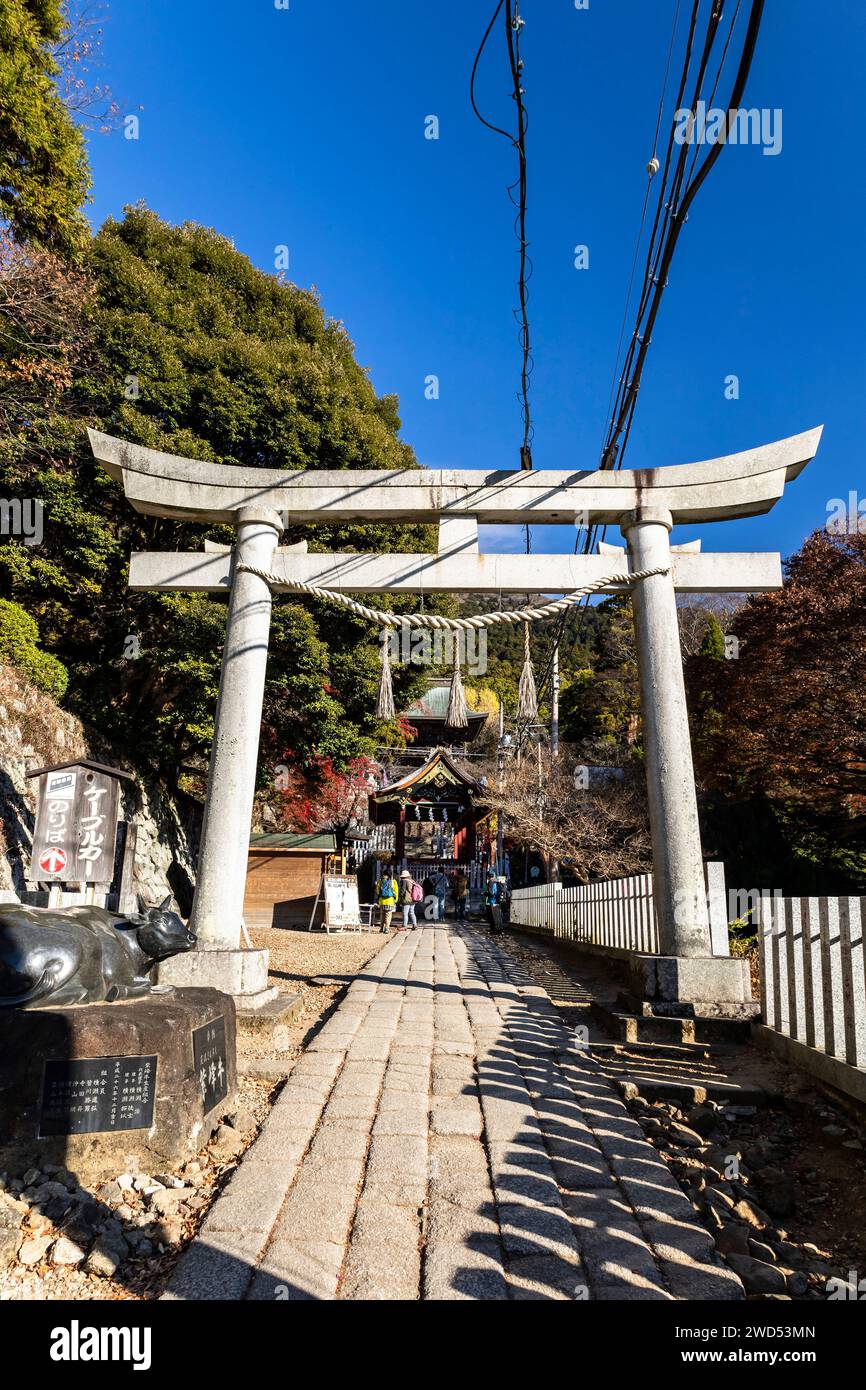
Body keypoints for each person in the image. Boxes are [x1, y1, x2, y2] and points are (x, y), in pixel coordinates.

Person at [376, 865, 398, 932]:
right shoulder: (393, 881)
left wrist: (379, 896)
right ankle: (387, 928)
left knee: (382, 914)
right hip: (390, 901)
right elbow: (396, 891)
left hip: (382, 901)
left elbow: (377, 890)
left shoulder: (380, 881)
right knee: (388, 915)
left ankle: (381, 928)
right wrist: (395, 900)